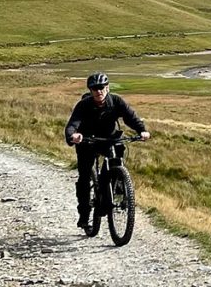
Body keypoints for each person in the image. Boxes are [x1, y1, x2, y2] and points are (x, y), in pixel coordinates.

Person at [64, 72, 150, 229]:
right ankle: (84, 214)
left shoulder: (116, 101)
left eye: (101, 88)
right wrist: (73, 135)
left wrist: (141, 130)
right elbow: (72, 124)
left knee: (119, 148)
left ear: (107, 88)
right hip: (87, 141)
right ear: (90, 91)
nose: (99, 91)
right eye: (95, 89)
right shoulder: (83, 105)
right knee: (84, 177)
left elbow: (130, 117)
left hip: (108, 139)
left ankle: (116, 179)